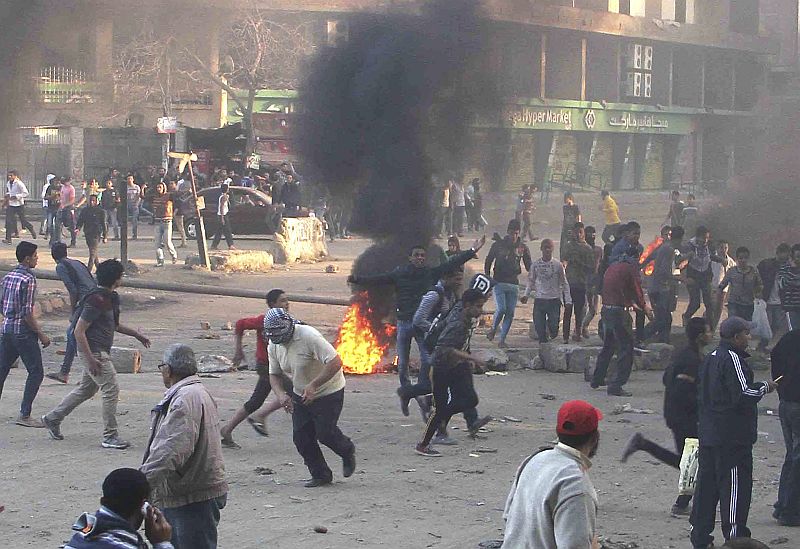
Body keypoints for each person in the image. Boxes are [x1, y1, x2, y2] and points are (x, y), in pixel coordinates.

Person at [348, 236, 485, 389]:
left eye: (422, 255)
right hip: (403, 323)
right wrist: (357, 279)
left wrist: (472, 250)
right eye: (417, 255)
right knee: (403, 362)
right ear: (410, 258)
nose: (420, 258)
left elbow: (451, 263)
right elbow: (378, 279)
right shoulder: (399, 274)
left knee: (427, 360)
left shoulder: (430, 273)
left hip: (421, 324)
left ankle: (421, 386)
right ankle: (406, 388)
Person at [42, 259, 151, 450]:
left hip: (97, 351)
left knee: (86, 389)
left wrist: (137, 335)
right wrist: (91, 359)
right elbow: (79, 331)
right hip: (94, 352)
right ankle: (110, 435)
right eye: (121, 276)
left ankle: (53, 418)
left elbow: (114, 325)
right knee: (111, 389)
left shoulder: (110, 298)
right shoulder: (96, 300)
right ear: (116, 279)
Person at [690, 317, 778, 548]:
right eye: (746, 334)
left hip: (710, 434)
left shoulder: (710, 357)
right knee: (735, 489)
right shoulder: (732, 359)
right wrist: (765, 387)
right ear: (736, 337)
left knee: (707, 488)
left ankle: (700, 537)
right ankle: (735, 538)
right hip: (732, 438)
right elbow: (743, 394)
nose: (749, 338)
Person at [140, 344, 227, 549]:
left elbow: (169, 451)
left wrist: (140, 486)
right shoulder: (195, 392)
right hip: (195, 489)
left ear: (168, 370)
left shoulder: (185, 398)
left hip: (191, 494)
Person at [621, 317, 711, 516]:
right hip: (683, 417)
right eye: (707, 331)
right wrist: (700, 397)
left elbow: (667, 378)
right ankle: (682, 504)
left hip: (678, 414)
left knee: (691, 460)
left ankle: (644, 445)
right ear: (699, 336)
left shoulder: (687, 354)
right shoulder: (691, 359)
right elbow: (679, 389)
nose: (710, 334)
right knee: (691, 462)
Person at [266, 308, 357, 487]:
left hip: (328, 390)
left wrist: (314, 385)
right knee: (301, 437)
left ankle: (347, 450)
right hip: (301, 392)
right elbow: (274, 374)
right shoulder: (274, 345)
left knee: (325, 433)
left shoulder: (309, 336)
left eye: (280, 336)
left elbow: (335, 362)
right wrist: (281, 395)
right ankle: (321, 474)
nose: (278, 341)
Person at [501, 400, 602, 549]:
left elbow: (508, 516)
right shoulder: (575, 483)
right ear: (594, 439)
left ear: (558, 433)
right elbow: (574, 545)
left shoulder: (533, 459)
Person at [415, 289, 491, 457]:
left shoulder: (464, 316)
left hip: (456, 366)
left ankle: (433, 407)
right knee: (441, 409)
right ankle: (423, 444)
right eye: (478, 306)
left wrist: (467, 359)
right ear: (467, 305)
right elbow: (444, 348)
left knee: (470, 399)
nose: (481, 310)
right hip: (441, 368)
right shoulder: (457, 323)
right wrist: (472, 358)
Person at [219, 289, 295, 448]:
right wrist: (238, 350)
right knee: (294, 392)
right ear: (272, 304)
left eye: (287, 300)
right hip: (266, 366)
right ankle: (260, 416)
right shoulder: (264, 320)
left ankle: (227, 430)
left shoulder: (288, 322)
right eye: (282, 301)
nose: (287, 303)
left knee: (255, 401)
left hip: (274, 367)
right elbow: (240, 324)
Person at [0, 241, 50, 427]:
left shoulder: (8, 276)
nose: (37, 259)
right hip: (23, 332)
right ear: (27, 259)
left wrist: (9, 316)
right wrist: (41, 333)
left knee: (2, 369)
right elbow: (27, 312)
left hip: (7, 329)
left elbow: (1, 303)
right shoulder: (28, 279)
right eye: (35, 256)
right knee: (36, 372)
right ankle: (25, 414)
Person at [590, 251, 653, 396]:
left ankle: (597, 378)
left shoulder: (612, 267)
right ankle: (616, 385)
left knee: (608, 346)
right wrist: (645, 308)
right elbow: (637, 291)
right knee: (626, 348)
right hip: (619, 312)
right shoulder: (630, 269)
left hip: (606, 309)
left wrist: (633, 303)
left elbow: (619, 290)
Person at [65, 468, 174, 549]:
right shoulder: (125, 545)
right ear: (143, 507)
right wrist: (162, 543)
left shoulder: (82, 534)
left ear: (102, 501)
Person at [46, 243, 97, 384]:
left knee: (73, 333)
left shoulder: (61, 266)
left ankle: (68, 372)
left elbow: (73, 290)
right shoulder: (77, 262)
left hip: (85, 301)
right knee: (77, 335)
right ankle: (68, 371)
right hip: (94, 297)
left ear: (53, 255)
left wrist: (73, 310)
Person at [484, 219, 531, 348]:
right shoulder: (498, 245)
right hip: (498, 281)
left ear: (519, 233)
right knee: (501, 309)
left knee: (510, 312)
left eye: (516, 233)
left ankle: (502, 340)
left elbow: (529, 266)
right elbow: (488, 261)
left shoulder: (522, 247)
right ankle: (493, 329)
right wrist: (488, 277)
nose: (513, 236)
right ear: (508, 232)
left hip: (513, 283)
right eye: (511, 233)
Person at [770, 329, 800, 526]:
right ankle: (790, 510)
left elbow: (774, 356)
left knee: (792, 456)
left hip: (786, 402)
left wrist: (781, 385)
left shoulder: (790, 337)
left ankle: (783, 504)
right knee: (797, 458)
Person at [521, 239, 571, 344]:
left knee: (554, 329)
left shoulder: (558, 265)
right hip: (540, 299)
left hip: (554, 300)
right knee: (539, 327)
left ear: (553, 249)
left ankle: (549, 330)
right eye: (545, 247)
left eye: (549, 247)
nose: (547, 250)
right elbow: (531, 281)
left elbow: (564, 283)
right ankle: (543, 345)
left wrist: (568, 300)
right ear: (541, 249)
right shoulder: (536, 265)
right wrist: (526, 295)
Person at [641, 226, 685, 344]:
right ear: (680, 239)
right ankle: (641, 337)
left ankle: (663, 341)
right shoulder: (669, 249)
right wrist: (682, 279)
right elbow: (664, 273)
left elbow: (649, 257)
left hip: (657, 287)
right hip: (660, 288)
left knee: (665, 318)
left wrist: (640, 267)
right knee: (662, 319)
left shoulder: (664, 246)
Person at [561, 223, 594, 343]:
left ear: (583, 233)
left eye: (580, 232)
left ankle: (578, 332)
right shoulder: (568, 247)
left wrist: (579, 262)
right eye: (576, 232)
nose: (578, 235)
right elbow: (563, 260)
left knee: (579, 312)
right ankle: (565, 336)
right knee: (568, 310)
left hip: (581, 283)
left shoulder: (587, 249)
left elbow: (591, 268)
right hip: (569, 283)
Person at [683, 226, 722, 325]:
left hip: (706, 275)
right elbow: (682, 261)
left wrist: (721, 260)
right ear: (697, 237)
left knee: (709, 303)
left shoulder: (710, 245)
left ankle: (709, 325)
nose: (705, 240)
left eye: (707, 238)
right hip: (693, 275)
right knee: (695, 303)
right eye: (703, 238)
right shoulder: (690, 245)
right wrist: (684, 278)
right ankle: (686, 316)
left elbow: (712, 256)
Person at [758, 243, 791, 349]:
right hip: (768, 299)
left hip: (780, 301)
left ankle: (771, 345)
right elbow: (759, 273)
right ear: (777, 253)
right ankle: (764, 344)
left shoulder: (788, 268)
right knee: (767, 324)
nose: (783, 261)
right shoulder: (767, 265)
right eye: (781, 258)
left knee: (777, 325)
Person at [719, 247, 763, 322]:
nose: (743, 260)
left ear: (748, 258)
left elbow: (760, 284)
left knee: (746, 325)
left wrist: (758, 293)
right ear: (737, 259)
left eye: (745, 258)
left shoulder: (754, 271)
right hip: (734, 303)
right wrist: (718, 296)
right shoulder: (732, 271)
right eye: (741, 258)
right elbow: (722, 285)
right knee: (733, 323)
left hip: (748, 304)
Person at [581, 226, 604, 339]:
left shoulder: (598, 250)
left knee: (593, 309)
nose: (592, 236)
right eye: (589, 233)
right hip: (585, 281)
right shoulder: (583, 249)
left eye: (593, 233)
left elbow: (601, 265)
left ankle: (583, 327)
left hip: (595, 281)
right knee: (588, 308)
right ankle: (582, 327)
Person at [76, 194, 108, 272]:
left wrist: (105, 236)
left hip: (96, 233)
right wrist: (78, 228)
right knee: (93, 252)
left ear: (97, 201)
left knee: (92, 253)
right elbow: (80, 220)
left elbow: (104, 224)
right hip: (87, 233)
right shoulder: (85, 210)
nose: (92, 202)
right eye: (90, 201)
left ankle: (88, 271)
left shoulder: (101, 211)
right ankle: (100, 270)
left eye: (93, 201)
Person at [4, 170, 37, 243]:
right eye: (9, 175)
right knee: (8, 221)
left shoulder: (19, 183)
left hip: (19, 204)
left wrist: (17, 196)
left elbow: (26, 193)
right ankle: (8, 239)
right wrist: (8, 195)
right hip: (11, 204)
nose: (9, 177)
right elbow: (11, 191)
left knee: (23, 220)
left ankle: (30, 228)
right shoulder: (8, 183)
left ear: (15, 176)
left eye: (11, 175)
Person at [711, 240, 736, 332]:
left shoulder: (731, 262)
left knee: (719, 309)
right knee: (711, 307)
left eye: (725, 248)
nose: (723, 250)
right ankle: (708, 324)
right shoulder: (712, 259)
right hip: (712, 287)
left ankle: (713, 328)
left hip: (723, 289)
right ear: (717, 248)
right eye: (721, 248)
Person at [151, 182, 178, 266]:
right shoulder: (154, 197)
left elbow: (178, 201)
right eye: (157, 187)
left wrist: (174, 213)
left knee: (167, 241)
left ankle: (174, 255)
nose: (158, 189)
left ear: (164, 188)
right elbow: (143, 196)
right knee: (157, 243)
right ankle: (160, 260)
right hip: (158, 222)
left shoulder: (169, 196)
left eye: (160, 187)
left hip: (167, 222)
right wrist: (143, 188)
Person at [778, 244, 800, 330]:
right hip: (791, 307)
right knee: (794, 331)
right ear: (792, 257)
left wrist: (793, 281)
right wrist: (793, 269)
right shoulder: (784, 268)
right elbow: (783, 285)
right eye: (798, 256)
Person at [210, 183, 235, 250]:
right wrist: (222, 218)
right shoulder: (223, 197)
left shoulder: (224, 196)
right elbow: (221, 207)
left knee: (219, 231)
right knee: (227, 231)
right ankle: (230, 245)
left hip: (222, 214)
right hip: (223, 215)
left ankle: (214, 245)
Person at [559, 192, 581, 258]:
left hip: (573, 226)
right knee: (563, 244)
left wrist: (579, 226)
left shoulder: (575, 207)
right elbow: (565, 217)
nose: (565, 200)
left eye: (566, 198)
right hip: (566, 227)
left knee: (575, 241)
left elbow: (578, 216)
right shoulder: (564, 207)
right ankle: (562, 258)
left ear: (570, 198)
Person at [126, 175, 142, 240]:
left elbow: (139, 196)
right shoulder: (126, 187)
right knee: (125, 220)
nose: (129, 180)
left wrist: (136, 204)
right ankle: (125, 234)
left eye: (130, 179)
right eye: (128, 179)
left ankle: (134, 235)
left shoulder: (137, 187)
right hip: (127, 204)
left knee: (134, 220)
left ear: (133, 180)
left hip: (135, 204)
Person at [40, 173, 55, 239]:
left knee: (50, 220)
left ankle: (48, 233)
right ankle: (43, 230)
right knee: (46, 219)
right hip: (46, 204)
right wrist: (50, 197)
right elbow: (43, 195)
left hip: (53, 205)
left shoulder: (56, 187)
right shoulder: (46, 186)